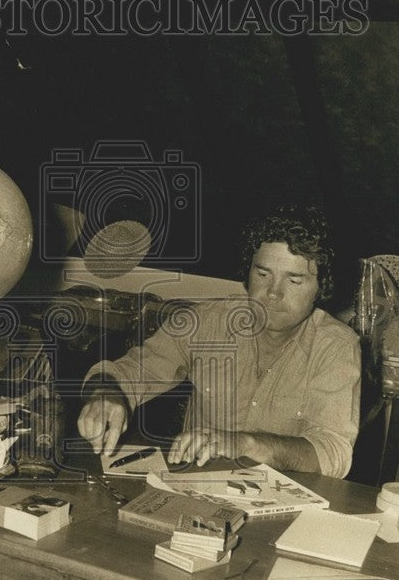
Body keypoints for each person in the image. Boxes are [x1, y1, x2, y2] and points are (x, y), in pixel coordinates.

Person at [76, 205, 361, 478]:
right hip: (196, 493)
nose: (273, 293)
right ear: (247, 274)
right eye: (263, 274)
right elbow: (125, 372)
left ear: (321, 288)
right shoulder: (205, 322)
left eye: (294, 280)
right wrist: (106, 393)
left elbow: (333, 452)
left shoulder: (336, 346)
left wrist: (245, 444)